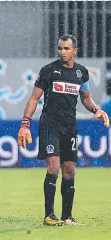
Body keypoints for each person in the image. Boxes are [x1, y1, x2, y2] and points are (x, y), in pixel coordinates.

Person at [17, 34, 109, 226]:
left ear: (75, 50)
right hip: (50, 124)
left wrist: (96, 110)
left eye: (66, 48)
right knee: (53, 166)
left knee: (70, 170)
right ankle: (49, 215)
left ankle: (67, 216)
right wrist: (25, 123)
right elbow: (34, 98)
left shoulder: (81, 73)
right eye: (60, 48)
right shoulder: (48, 70)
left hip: (70, 126)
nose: (62, 52)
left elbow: (85, 97)